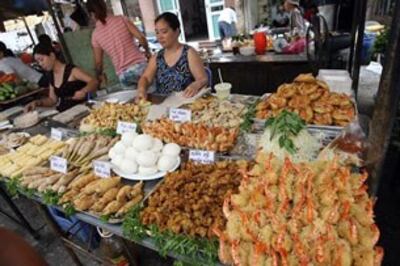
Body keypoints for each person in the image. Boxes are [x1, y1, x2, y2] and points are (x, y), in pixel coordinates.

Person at [136, 12, 207, 100]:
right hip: (162, 105)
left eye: (164, 32)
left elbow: (203, 79)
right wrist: (142, 90)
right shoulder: (157, 57)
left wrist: (196, 84)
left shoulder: (189, 53)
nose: (160, 37)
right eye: (157, 33)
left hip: (185, 105)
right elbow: (146, 78)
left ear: (176, 31)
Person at [86, 0, 150, 88]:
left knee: (135, 101)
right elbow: (141, 38)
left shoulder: (95, 35)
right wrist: (147, 52)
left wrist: (98, 77)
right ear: (105, 7)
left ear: (91, 14)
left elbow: (98, 64)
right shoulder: (121, 19)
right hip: (140, 67)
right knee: (154, 96)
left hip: (124, 75)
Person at [25, 43, 98, 112]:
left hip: (83, 110)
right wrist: (37, 102)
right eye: (38, 62)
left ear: (52, 56)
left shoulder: (72, 71)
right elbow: (52, 100)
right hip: (65, 112)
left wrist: (84, 91)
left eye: (41, 60)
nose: (41, 64)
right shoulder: (51, 76)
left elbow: (93, 81)